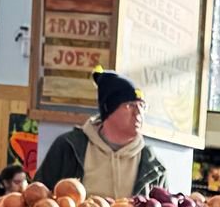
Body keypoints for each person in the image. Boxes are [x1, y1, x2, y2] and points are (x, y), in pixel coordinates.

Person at [34, 70, 167, 199]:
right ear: (108, 109)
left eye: (142, 106)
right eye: (130, 105)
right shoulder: (69, 147)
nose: (138, 112)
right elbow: (37, 196)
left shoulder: (153, 165)